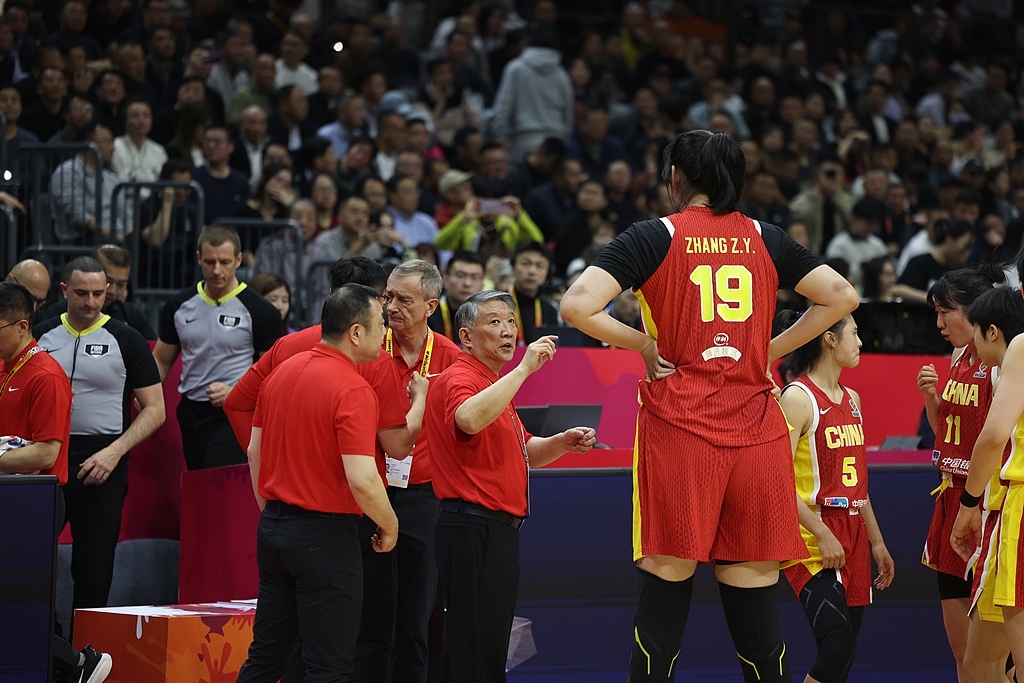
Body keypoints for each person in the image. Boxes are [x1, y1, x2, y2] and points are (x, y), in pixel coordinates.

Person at [559, 130, 859, 683]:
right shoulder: (765, 236)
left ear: (676, 177)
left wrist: (642, 344)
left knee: (663, 606)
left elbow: (577, 306)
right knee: (759, 623)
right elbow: (842, 296)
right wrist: (769, 349)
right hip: (757, 430)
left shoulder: (656, 234)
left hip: (680, 428)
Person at [427, 290, 596, 682]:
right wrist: (523, 370)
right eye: (494, 322)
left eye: (509, 321)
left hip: (492, 531)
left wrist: (561, 442)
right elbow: (468, 419)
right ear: (466, 336)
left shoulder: (493, 384)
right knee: (477, 650)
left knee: (481, 645)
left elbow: (525, 451)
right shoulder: (462, 377)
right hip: (474, 527)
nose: (507, 331)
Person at [235, 285, 399, 683]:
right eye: (381, 323)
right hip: (325, 538)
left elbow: (254, 452)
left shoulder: (280, 373)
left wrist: (274, 513)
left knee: (266, 657)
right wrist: (390, 525)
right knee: (329, 667)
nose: (387, 332)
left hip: (274, 528)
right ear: (356, 332)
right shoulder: (353, 388)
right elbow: (362, 478)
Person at [351, 261, 462, 683]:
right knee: (370, 617)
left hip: (424, 499)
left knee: (416, 620)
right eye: (388, 297)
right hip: (371, 491)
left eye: (404, 299)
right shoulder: (368, 350)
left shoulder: (452, 358)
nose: (391, 306)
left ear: (431, 306)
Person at [34, 257, 165, 612]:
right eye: (81, 293)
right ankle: (46, 641)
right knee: (30, 563)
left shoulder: (128, 339)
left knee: (93, 571)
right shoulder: (40, 335)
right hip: (47, 458)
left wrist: (115, 452)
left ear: (107, 290)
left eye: (97, 293)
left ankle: (87, 645)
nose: (90, 302)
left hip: (104, 461)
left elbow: (156, 409)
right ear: (64, 290)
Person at [0, 281, 112, 683]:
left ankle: (77, 663)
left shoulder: (46, 375)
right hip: (9, 493)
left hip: (32, 501)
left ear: (21, 326)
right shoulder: (5, 367)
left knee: (16, 599)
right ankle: (66, 665)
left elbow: (47, 453)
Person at [776, 310, 894, 683]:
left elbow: (857, 483)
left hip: (853, 529)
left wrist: (877, 542)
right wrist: (822, 533)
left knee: (845, 655)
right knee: (836, 645)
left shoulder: (852, 398)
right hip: (812, 531)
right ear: (829, 339)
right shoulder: (797, 397)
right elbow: (777, 481)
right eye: (854, 333)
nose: (860, 342)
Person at [915, 262, 1009, 681]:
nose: (938, 323)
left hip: (984, 501)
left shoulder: (1002, 362)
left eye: (945, 312)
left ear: (975, 310)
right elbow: (945, 432)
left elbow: (997, 441)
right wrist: (932, 398)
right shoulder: (956, 356)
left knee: (992, 656)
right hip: (950, 495)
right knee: (961, 652)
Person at [153, 226, 284, 470]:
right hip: (191, 411)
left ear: (238, 260)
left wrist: (237, 392)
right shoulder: (179, 305)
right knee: (196, 480)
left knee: (217, 479)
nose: (216, 270)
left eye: (224, 262)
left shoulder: (260, 310)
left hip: (233, 412)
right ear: (198, 258)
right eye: (209, 262)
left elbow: (273, 374)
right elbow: (161, 360)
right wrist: (145, 391)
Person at [951, 285, 1024, 675]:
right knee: (979, 662)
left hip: (1016, 510)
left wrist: (967, 504)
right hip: (1000, 516)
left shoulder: (1020, 350)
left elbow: (993, 437)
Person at [42, 245, 157, 341]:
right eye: (108, 281)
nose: (112, 291)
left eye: (121, 285)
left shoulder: (133, 316)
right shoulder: (55, 315)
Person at [509, 242, 559, 345]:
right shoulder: (499, 304)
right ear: (513, 268)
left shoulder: (550, 310)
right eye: (525, 264)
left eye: (539, 266)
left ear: (548, 273)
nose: (532, 271)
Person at [429, 252, 485, 340]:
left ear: (482, 285)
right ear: (445, 280)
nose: (467, 283)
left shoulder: (486, 318)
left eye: (475, 277)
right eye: (460, 276)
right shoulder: (429, 313)